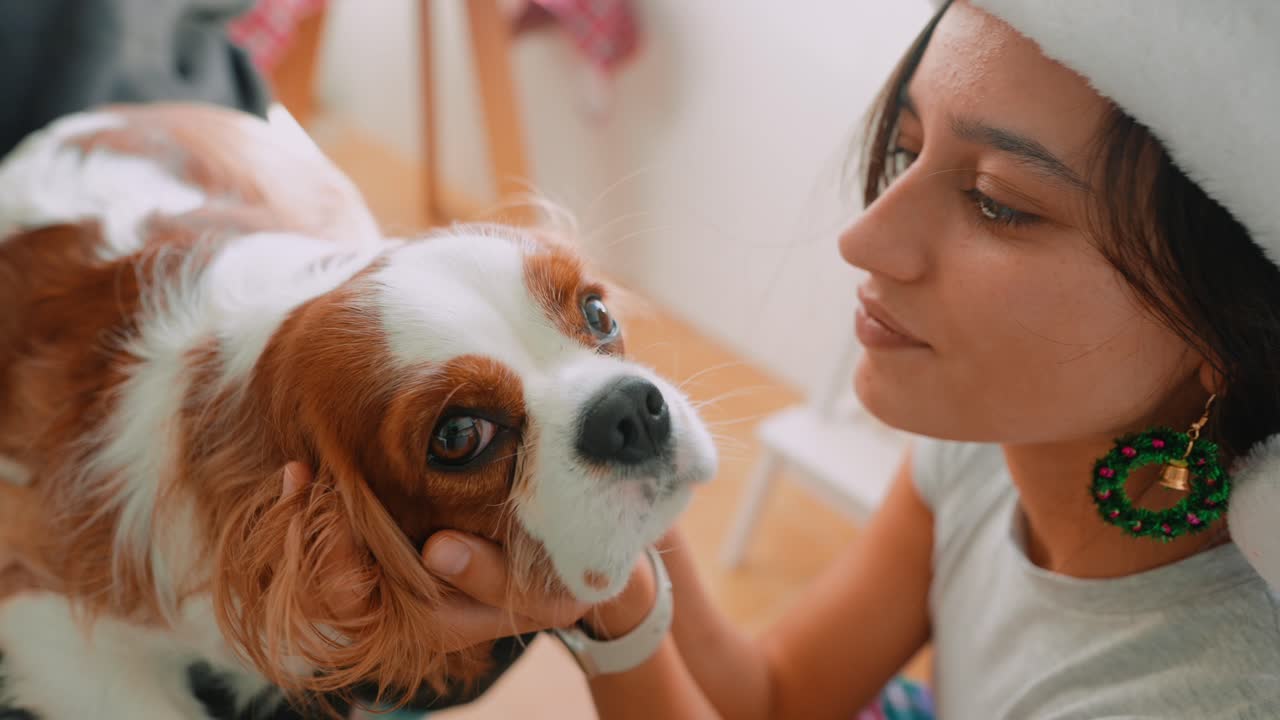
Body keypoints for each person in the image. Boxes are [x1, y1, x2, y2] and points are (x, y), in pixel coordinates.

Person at [283, 0, 1280, 717]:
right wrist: (599, 464)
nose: (865, 238)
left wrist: (612, 624)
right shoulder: (993, 448)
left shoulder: (1204, 692)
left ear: (1220, 327)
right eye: (902, 150)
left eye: (997, 203)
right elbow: (777, 697)